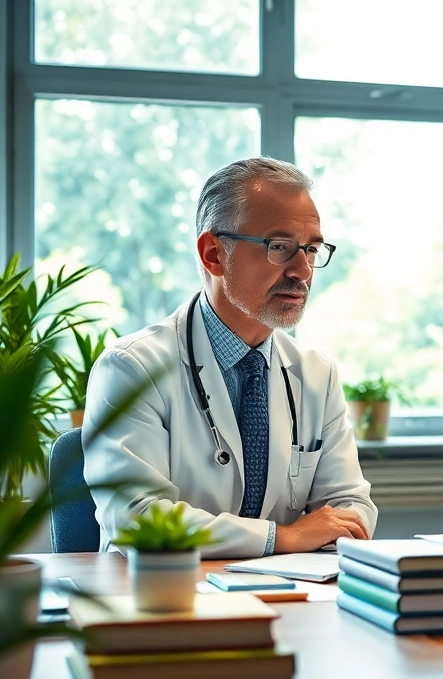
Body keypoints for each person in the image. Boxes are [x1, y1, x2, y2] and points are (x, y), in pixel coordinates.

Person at [84, 158, 377, 559]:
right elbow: (137, 518)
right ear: (213, 254)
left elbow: (349, 505)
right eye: (280, 247)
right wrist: (281, 537)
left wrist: (329, 528)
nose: (303, 270)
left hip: (288, 599)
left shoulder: (316, 374)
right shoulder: (132, 368)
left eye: (311, 249)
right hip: (163, 599)